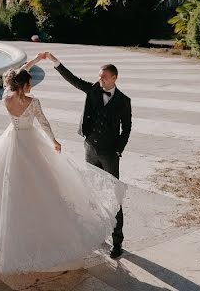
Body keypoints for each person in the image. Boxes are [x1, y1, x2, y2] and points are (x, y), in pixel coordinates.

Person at [0, 53, 125, 274]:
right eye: (30, 81)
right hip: (32, 142)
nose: (32, 84)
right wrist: (54, 141)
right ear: (26, 84)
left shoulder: (6, 97)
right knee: (44, 188)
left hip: (11, 141)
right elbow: (44, 123)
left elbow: (16, 76)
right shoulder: (33, 102)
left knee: (5, 190)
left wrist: (35, 62)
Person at [42, 51, 131, 258]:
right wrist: (55, 62)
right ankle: (97, 233)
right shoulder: (92, 90)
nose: (100, 79)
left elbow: (126, 128)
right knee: (92, 192)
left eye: (104, 76)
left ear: (114, 78)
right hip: (90, 149)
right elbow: (72, 79)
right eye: (99, 76)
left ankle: (117, 242)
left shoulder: (124, 101)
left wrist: (118, 149)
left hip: (110, 154)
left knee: (113, 195)